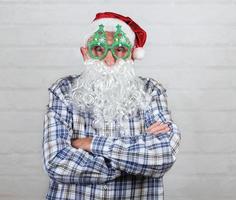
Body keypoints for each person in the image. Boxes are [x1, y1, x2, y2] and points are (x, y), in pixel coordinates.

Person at [42, 11, 181, 199]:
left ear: (132, 54)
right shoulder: (63, 90)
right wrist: (135, 161)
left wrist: (90, 143)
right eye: (99, 49)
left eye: (120, 49)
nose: (109, 60)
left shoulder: (151, 91)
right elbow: (57, 163)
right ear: (85, 53)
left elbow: (162, 156)